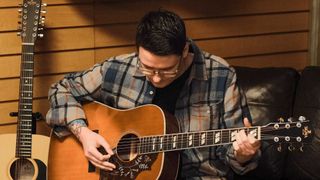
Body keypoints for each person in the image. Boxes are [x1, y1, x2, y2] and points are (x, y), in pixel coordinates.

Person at [46, 9, 261, 179]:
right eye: (148, 68)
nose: (156, 78)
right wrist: (84, 134)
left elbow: (236, 148)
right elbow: (62, 88)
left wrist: (243, 154)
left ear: (184, 51)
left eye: (167, 70)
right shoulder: (118, 68)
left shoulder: (220, 75)